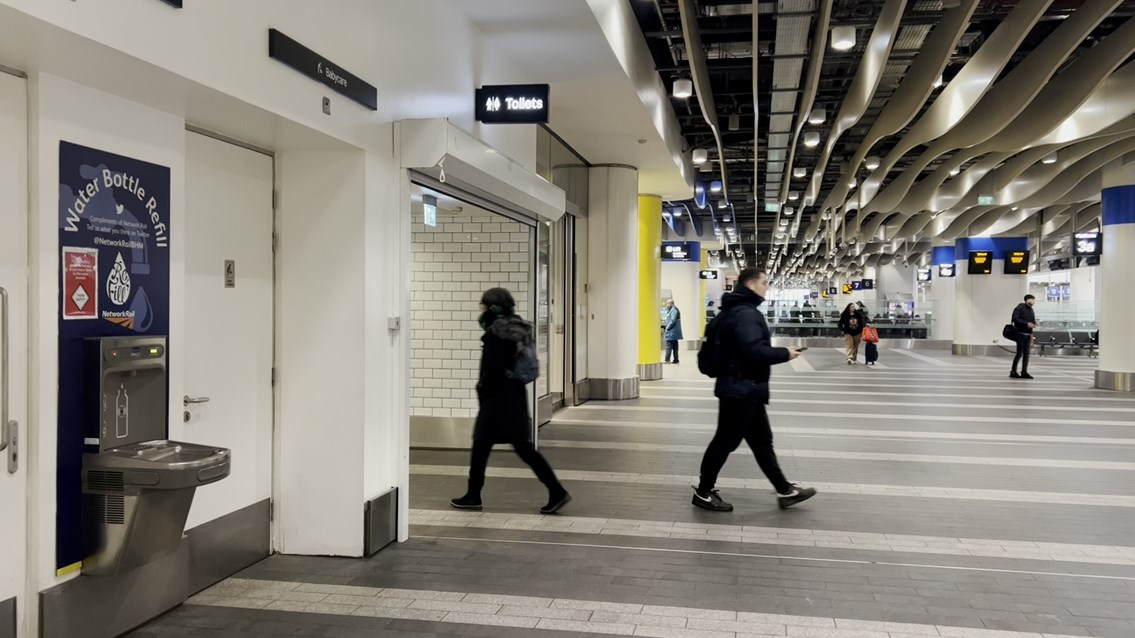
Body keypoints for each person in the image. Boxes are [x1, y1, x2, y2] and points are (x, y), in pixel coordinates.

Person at [692, 268, 817, 512]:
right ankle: (704, 492)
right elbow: (753, 351)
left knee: (761, 442)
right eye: (764, 282)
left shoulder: (731, 312)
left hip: (744, 388)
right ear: (751, 285)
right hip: (742, 388)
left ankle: (785, 490)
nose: (766, 287)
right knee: (725, 441)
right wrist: (785, 353)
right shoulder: (745, 314)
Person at [451, 288, 571, 514]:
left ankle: (473, 495)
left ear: (493, 308)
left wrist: (483, 389)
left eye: (484, 306)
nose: (482, 310)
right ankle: (556, 491)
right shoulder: (517, 328)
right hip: (514, 395)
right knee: (520, 448)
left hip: (498, 399)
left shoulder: (496, 332)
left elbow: (494, 368)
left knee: (483, 445)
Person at [1010, 294, 1037, 379]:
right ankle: (1013, 371)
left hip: (1028, 335)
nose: (1033, 301)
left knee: (1026, 354)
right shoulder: (1020, 307)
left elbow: (1031, 323)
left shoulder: (1031, 310)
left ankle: (1024, 372)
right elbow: (1015, 318)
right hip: (1020, 334)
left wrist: (1032, 335)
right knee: (1019, 354)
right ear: (1028, 300)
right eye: (1032, 299)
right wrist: (1026, 323)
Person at [663, 299, 683, 364]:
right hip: (674, 332)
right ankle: (676, 359)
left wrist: (667, 328)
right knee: (675, 346)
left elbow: (673, 320)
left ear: (670, 304)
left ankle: (667, 359)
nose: (666, 305)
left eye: (667, 304)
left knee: (669, 345)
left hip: (672, 331)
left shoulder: (674, 310)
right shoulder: (673, 309)